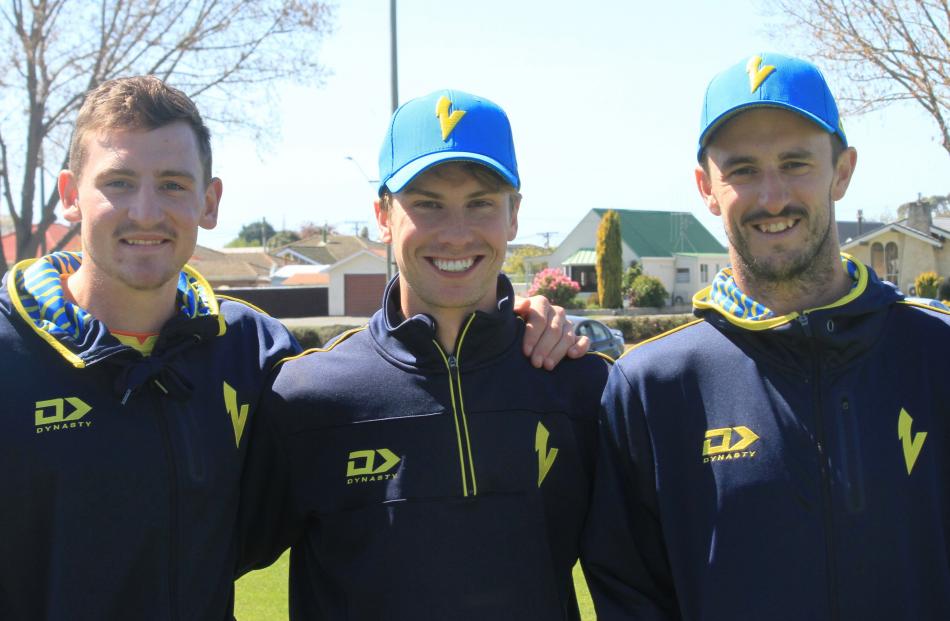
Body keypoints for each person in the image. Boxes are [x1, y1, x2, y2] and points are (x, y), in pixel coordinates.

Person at [0, 77, 580, 621]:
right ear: (71, 196)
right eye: (119, 182)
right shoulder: (12, 354)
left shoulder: (253, 355)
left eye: (173, 184)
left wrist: (525, 320)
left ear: (209, 201)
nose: (146, 211)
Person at [583, 53, 950, 620]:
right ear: (707, 186)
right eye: (743, 169)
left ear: (842, 171)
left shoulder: (937, 352)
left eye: (796, 162)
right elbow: (630, 597)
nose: (772, 197)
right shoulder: (653, 387)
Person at [238, 89, 611, 620]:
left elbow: (643, 579)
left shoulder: (580, 386)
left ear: (514, 216)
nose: (455, 234)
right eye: (427, 203)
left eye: (480, 202)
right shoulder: (306, 398)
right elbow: (193, 562)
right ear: (383, 216)